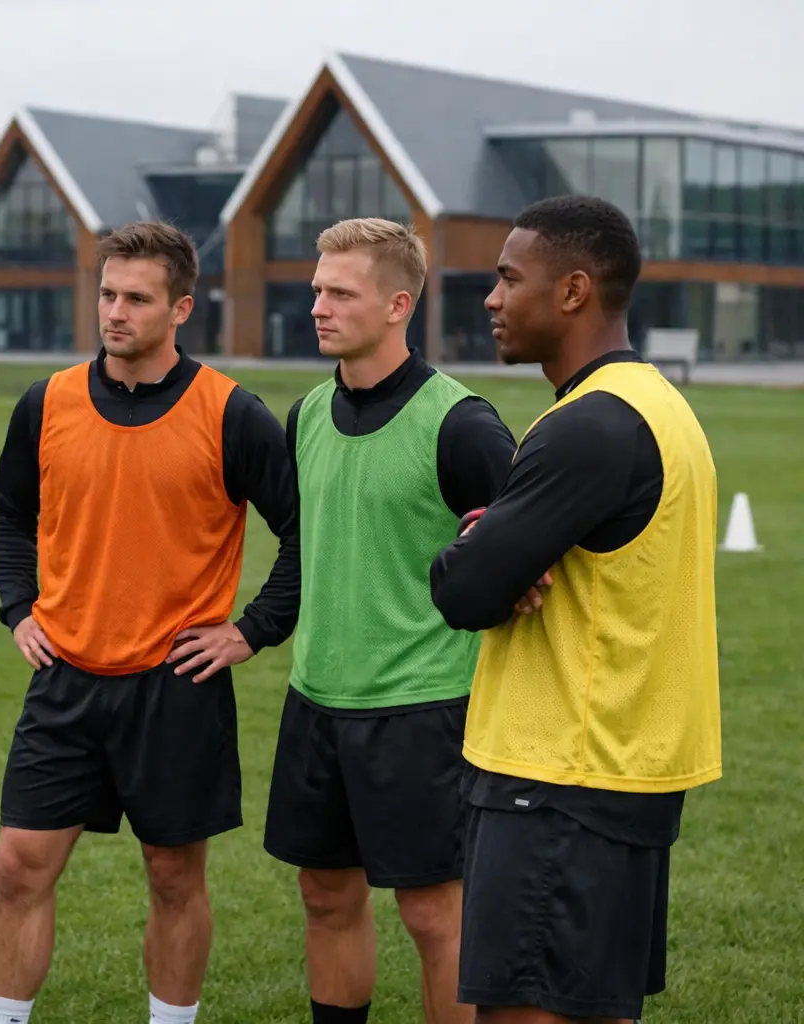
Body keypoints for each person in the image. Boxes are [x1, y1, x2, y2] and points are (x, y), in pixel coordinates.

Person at [0, 220, 300, 1024]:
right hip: (66, 681)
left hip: (175, 690)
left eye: (137, 299)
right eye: (107, 294)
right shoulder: (45, 402)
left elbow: (307, 532)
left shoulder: (231, 413)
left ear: (182, 307)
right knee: (18, 866)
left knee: (173, 878)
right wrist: (18, 607)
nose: (115, 312)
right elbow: (8, 514)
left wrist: (252, 628)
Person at [430, 194, 722, 1024]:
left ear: (573, 291)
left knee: (525, 1011)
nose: (490, 298)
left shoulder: (589, 425)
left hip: (558, 774)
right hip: (628, 768)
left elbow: (462, 590)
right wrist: (501, 541)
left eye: (508, 277)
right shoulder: (664, 408)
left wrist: (477, 541)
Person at [262, 217, 517, 1024]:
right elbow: (305, 546)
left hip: (423, 708)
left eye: (341, 293)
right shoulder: (304, 414)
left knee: (434, 914)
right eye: (315, 291)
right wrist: (253, 628)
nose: (319, 308)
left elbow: (520, 562)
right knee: (325, 895)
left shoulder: (462, 425)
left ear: (399, 303)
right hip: (317, 701)